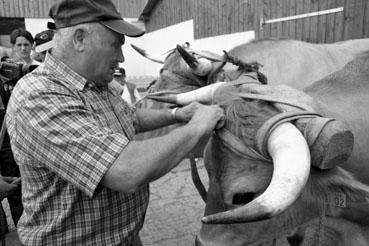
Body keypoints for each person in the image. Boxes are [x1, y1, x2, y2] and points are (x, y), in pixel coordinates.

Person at [5, 0, 224, 245]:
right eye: (116, 45)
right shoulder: (38, 96)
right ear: (79, 39)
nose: (121, 57)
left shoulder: (97, 82)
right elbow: (125, 171)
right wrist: (198, 125)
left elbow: (129, 117)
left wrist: (175, 115)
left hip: (126, 237)